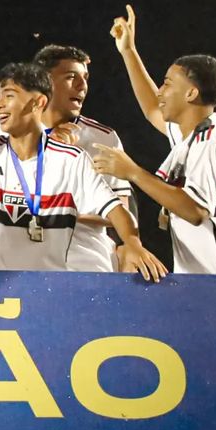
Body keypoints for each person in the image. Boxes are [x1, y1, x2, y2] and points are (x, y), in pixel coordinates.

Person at [0, 62, 167, 280]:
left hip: (50, 289)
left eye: (9, 96)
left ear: (38, 102)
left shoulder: (70, 159)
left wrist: (133, 245)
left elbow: (117, 210)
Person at [93, 6, 216, 274]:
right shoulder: (190, 137)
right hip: (201, 282)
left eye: (167, 83)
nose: (161, 91)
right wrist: (128, 51)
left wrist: (132, 172)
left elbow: (195, 210)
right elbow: (154, 108)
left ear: (190, 94)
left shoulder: (212, 141)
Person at [34, 44, 133, 271]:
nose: (82, 85)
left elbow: (121, 212)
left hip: (87, 263)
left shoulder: (103, 138)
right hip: (26, 260)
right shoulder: (14, 134)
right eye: (71, 77)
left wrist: (60, 212)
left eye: (85, 78)